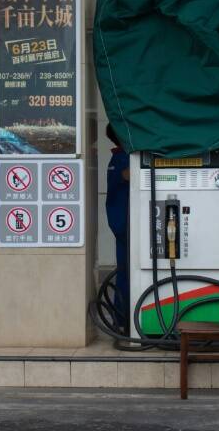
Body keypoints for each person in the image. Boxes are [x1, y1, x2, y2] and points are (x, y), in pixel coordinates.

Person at [105, 124, 130, 332]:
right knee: (126, 273)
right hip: (125, 225)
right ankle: (122, 319)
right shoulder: (122, 158)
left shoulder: (118, 157)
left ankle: (122, 319)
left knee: (126, 272)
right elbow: (129, 175)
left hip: (122, 223)